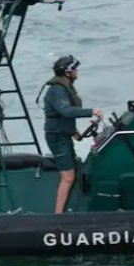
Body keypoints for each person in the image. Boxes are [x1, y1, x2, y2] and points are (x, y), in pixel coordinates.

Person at [43, 55, 103, 214]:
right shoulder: (57, 89)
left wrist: (74, 132)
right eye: (75, 69)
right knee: (68, 176)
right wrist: (91, 111)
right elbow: (66, 111)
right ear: (68, 72)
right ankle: (58, 215)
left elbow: (63, 116)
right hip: (57, 137)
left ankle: (76, 208)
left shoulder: (64, 87)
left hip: (63, 134)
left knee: (75, 170)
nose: (77, 72)